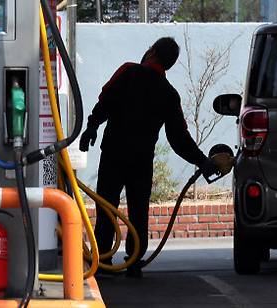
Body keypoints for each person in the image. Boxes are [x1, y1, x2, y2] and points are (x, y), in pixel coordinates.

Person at [80, 37, 220, 278]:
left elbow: (106, 99)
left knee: (106, 206)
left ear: (152, 52)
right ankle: (133, 263)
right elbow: (179, 138)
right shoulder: (169, 94)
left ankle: (103, 259)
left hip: (113, 153)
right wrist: (202, 161)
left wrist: (91, 126)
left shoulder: (128, 71)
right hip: (141, 161)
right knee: (138, 210)